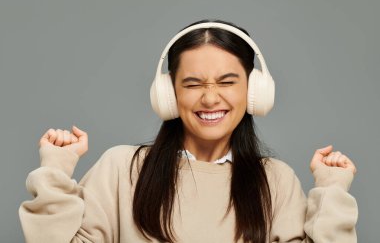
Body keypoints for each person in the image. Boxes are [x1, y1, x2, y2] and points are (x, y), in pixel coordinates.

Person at [19, 19, 358, 243]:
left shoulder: (276, 181)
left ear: (254, 92)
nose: (210, 98)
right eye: (192, 84)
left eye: (227, 82)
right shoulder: (121, 169)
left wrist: (331, 193)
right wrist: (55, 173)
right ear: (169, 95)